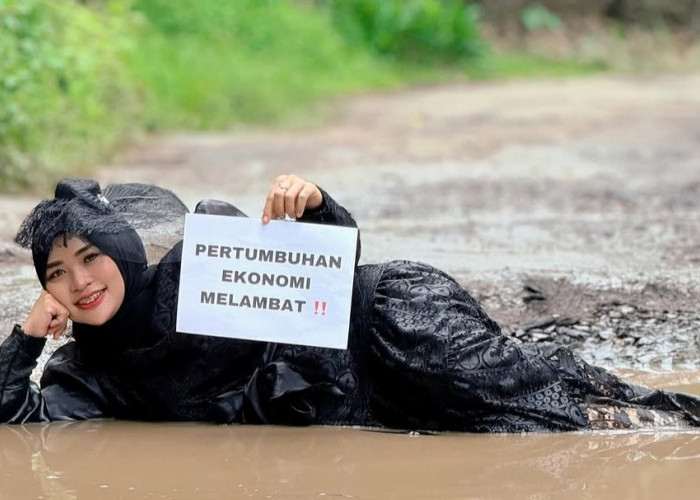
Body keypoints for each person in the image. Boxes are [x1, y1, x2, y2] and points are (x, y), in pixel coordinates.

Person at [1, 176, 698, 431]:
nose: (79, 283)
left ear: (122, 253)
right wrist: (29, 337)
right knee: (513, 430)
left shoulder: (201, 266)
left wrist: (312, 204)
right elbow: (14, 421)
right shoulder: (88, 371)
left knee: (556, 403)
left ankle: (674, 416)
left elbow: (326, 279)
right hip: (362, 403)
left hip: (392, 324)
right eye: (56, 273)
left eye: (91, 258)